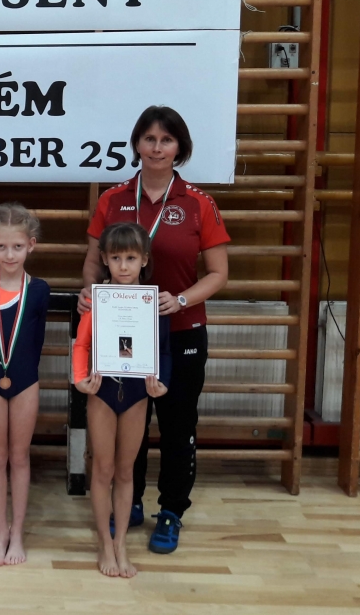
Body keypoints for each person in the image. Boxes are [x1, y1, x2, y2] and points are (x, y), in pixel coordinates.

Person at [79, 106, 229, 554]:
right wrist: (90, 294)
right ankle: (131, 503)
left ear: (180, 147)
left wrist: (180, 300)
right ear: (137, 144)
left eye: (166, 140)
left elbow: (218, 273)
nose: (157, 147)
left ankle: (171, 511)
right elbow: (92, 263)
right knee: (130, 420)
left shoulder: (198, 202)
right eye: (149, 139)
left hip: (180, 331)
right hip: (119, 334)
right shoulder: (113, 199)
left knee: (177, 425)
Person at [73, 223, 171, 577]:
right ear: (104, 259)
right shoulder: (96, 299)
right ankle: (104, 541)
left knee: (126, 470)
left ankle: (121, 544)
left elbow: (163, 350)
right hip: (101, 390)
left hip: (137, 393)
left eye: (131, 258)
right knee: (103, 468)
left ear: (144, 259)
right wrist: (79, 378)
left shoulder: (152, 302)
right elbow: (82, 344)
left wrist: (162, 382)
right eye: (116, 258)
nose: (124, 266)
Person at [0, 203, 50, 566]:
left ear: (31, 245)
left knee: (19, 456)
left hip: (26, 381)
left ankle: (17, 533)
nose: (10, 254)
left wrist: (19, 372)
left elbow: (36, 342)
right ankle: (0, 531)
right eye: (1, 247)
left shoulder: (40, 289)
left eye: (17, 246)